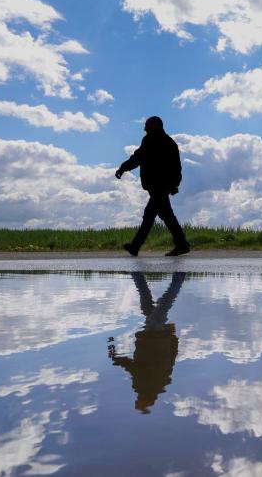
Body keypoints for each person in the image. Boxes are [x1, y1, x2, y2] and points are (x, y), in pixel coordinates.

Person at [108, 272, 184, 413]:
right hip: (154, 336)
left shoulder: (161, 383)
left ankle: (137, 274)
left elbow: (171, 359)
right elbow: (133, 368)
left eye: (138, 403)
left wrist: (172, 338)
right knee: (166, 302)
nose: (136, 401)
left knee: (147, 306)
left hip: (157, 337)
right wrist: (116, 359)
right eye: (140, 403)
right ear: (147, 401)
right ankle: (179, 276)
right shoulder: (143, 385)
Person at [116, 116, 190, 257]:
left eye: (147, 125)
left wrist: (123, 168)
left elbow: (139, 158)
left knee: (151, 215)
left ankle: (136, 246)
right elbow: (176, 167)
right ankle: (181, 245)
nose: (144, 128)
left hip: (159, 186)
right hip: (159, 186)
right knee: (164, 215)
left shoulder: (155, 140)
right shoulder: (165, 141)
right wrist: (174, 185)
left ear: (155, 125)